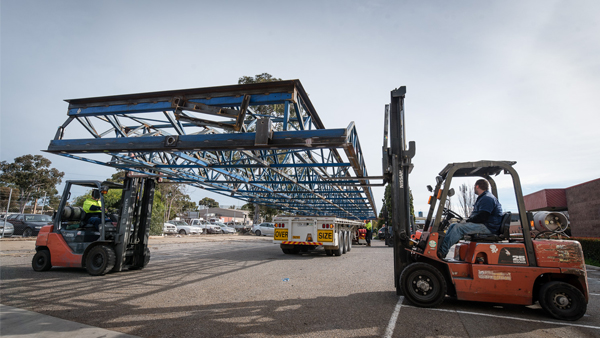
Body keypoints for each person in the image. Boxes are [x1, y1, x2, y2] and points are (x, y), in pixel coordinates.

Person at [439, 179, 503, 259]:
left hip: (488, 227)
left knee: (458, 228)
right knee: (453, 225)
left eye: (474, 187)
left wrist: (467, 221)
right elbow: (479, 215)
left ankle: (442, 252)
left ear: (477, 186)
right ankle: (441, 248)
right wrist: (466, 220)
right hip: (485, 224)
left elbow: (483, 216)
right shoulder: (483, 197)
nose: (474, 188)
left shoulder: (487, 198)